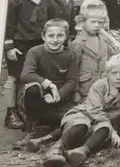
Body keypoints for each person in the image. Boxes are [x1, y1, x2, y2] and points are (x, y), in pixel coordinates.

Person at [42, 53, 120, 167]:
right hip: (84, 114)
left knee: (104, 128)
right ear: (108, 73)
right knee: (81, 124)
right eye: (114, 73)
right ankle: (57, 148)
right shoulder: (100, 85)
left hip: (102, 124)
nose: (118, 77)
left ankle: (81, 151)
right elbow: (94, 110)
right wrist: (113, 131)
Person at [15, 19, 77, 150]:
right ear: (43, 36)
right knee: (33, 88)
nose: (55, 40)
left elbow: (71, 81)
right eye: (50, 35)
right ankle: (32, 130)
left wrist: (58, 94)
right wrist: (49, 85)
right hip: (37, 98)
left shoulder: (70, 54)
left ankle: (48, 129)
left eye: (60, 35)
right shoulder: (35, 51)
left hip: (58, 100)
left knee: (73, 119)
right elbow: (25, 74)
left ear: (66, 36)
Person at [4, 0, 45, 129]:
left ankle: (26, 110)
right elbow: (8, 25)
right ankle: (11, 112)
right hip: (19, 44)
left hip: (37, 43)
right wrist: (9, 47)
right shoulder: (15, 0)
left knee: (30, 76)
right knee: (15, 77)